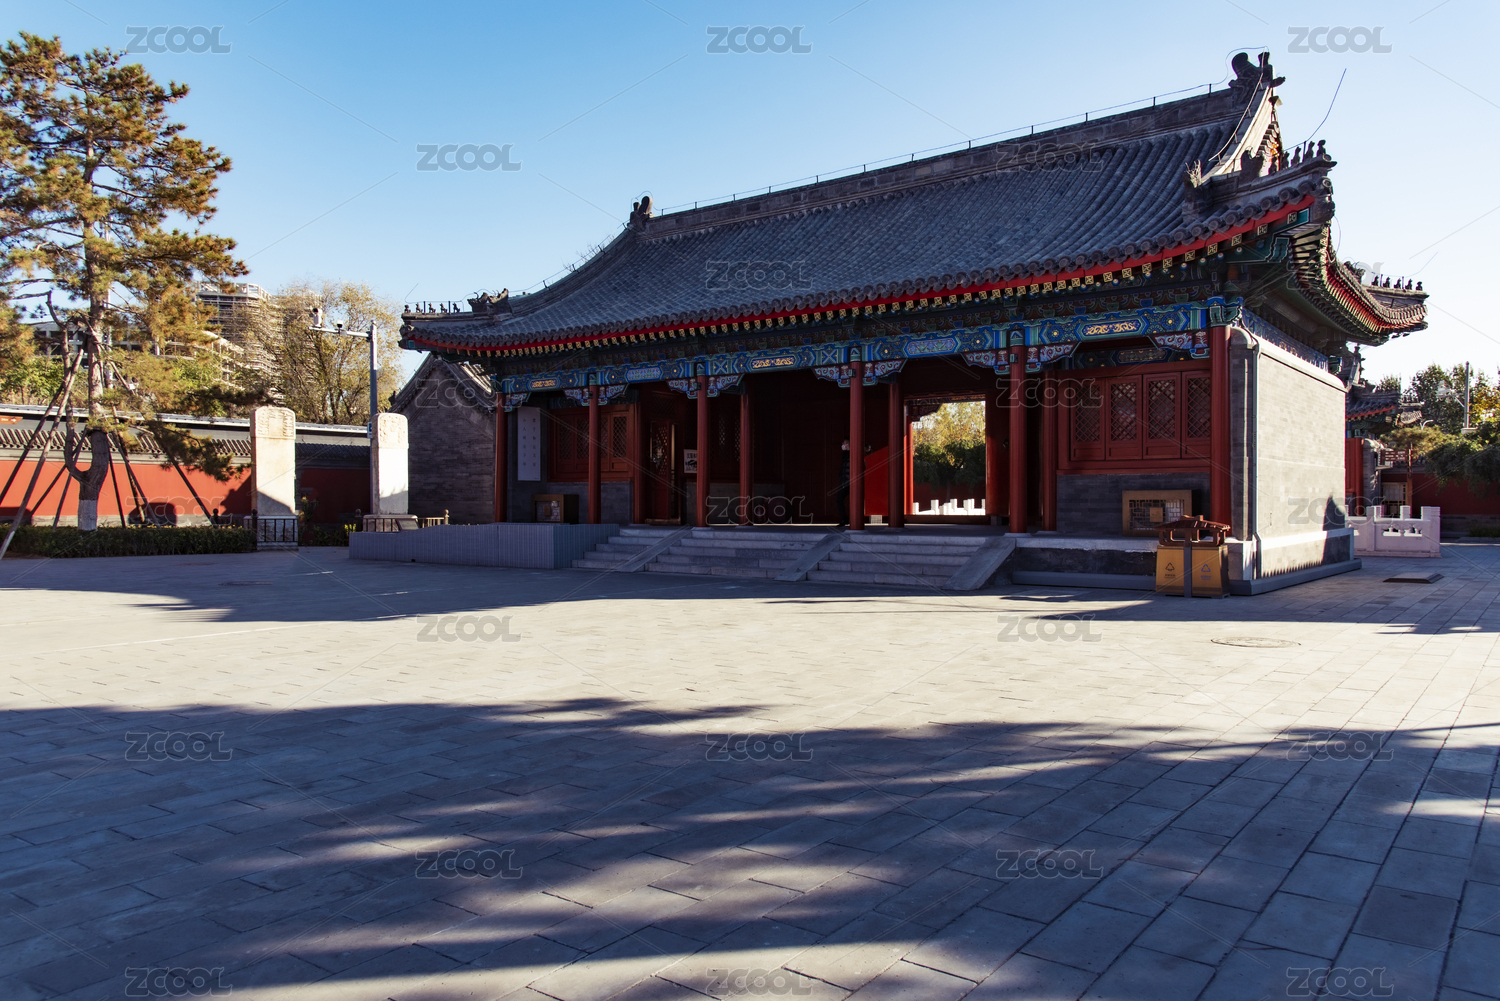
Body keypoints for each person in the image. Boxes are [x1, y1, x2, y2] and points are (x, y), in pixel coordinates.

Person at [835, 438, 850, 527]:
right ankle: (844, 519)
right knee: (839, 498)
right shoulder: (844, 454)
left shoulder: (854, 453)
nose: (844, 445)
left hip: (852, 481)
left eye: (846, 443)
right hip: (844, 482)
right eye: (844, 443)